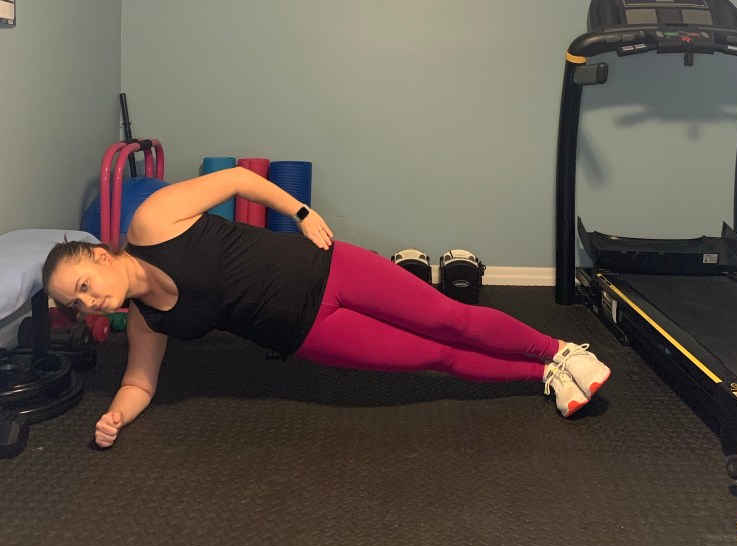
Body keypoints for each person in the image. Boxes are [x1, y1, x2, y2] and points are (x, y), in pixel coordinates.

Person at [43, 167, 611, 447]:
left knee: (448, 317)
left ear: (100, 254)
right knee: (433, 357)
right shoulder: (147, 320)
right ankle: (543, 376)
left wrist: (301, 212)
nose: (89, 301)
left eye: (84, 283)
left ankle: (561, 350)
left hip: (325, 268)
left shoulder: (151, 222)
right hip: (308, 333)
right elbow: (139, 383)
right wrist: (116, 417)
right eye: (77, 302)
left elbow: (238, 178)